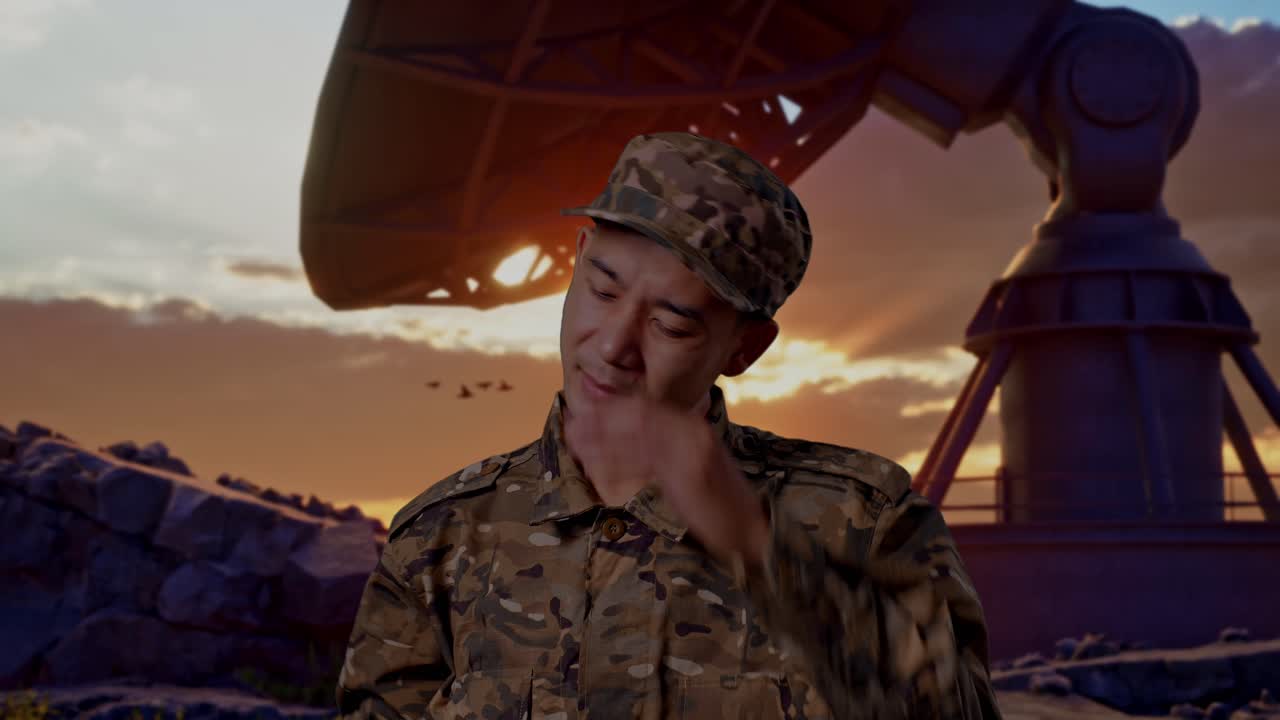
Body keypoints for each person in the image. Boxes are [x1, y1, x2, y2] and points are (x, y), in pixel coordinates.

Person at [334, 132, 1002, 719]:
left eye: (672, 323)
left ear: (744, 349)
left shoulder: (865, 522)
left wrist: (763, 551)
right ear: (577, 256)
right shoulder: (441, 541)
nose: (613, 344)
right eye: (601, 288)